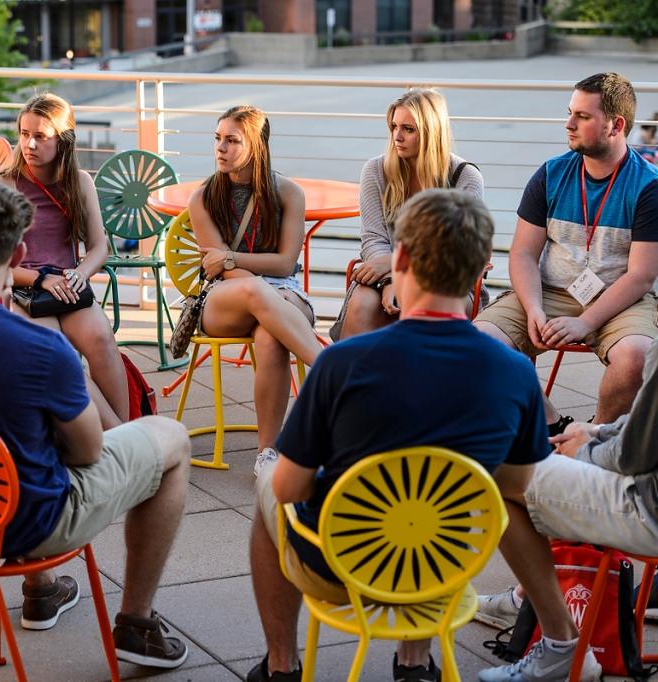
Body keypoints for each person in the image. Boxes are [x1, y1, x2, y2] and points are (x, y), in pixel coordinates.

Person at [248, 189, 600, 682]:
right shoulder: (516, 372)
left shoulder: (341, 364)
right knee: (495, 486)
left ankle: (281, 667)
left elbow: (291, 489)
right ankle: (416, 662)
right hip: (444, 564)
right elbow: (521, 486)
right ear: (481, 274)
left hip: (341, 565)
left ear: (403, 259)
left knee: (270, 488)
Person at [0, 180, 192, 668]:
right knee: (171, 439)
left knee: (12, 427)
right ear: (20, 251)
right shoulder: (43, 348)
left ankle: (42, 590)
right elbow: (90, 454)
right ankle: (136, 621)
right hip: (28, 526)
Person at [475, 73, 658, 430]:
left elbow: (641, 275)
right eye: (570, 112)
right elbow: (523, 255)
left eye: (583, 117)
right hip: (551, 292)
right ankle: (551, 426)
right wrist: (533, 309)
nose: (568, 124)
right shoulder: (551, 174)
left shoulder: (648, 186)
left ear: (616, 125)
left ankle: (591, 439)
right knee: (478, 345)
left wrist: (586, 322)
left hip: (623, 300)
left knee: (637, 358)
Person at [477, 337, 658, 631]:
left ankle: (553, 631)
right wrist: (597, 432)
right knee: (570, 448)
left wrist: (584, 451)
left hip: (647, 507)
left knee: (501, 475)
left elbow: (634, 456)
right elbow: (647, 430)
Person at [186, 104, 321, 476]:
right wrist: (241, 271)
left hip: (283, 292)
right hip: (224, 300)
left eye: (231, 140)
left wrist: (229, 256)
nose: (220, 148)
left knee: (270, 337)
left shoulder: (289, 193)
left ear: (257, 146)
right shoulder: (203, 198)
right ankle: (331, 369)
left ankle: (267, 455)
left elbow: (284, 263)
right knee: (256, 293)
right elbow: (219, 272)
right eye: (218, 139)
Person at [0, 93, 129, 428]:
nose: (29, 144)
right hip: (24, 289)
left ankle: (124, 435)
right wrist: (42, 279)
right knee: (61, 354)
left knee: (103, 342)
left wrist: (80, 274)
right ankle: (119, 436)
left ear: (64, 140)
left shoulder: (80, 182)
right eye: (24, 134)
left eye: (40, 136)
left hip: (68, 286)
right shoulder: (4, 184)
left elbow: (99, 247)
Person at [332, 87, 485, 340]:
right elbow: (373, 238)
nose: (397, 136)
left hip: (446, 283)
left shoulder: (465, 177)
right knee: (362, 305)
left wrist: (395, 265)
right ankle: (350, 378)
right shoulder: (375, 171)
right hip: (383, 275)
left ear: (431, 133)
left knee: (420, 308)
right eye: (393, 126)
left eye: (408, 129)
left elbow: (455, 253)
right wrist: (390, 278)